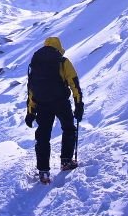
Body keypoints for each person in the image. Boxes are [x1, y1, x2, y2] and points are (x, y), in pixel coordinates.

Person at [25, 36, 84, 184]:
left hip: (42, 104)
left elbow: (31, 90)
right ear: (58, 48)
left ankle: (43, 171)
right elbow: (74, 83)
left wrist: (30, 112)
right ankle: (66, 161)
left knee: (43, 137)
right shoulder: (62, 61)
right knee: (69, 129)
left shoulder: (35, 64)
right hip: (61, 102)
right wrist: (78, 104)